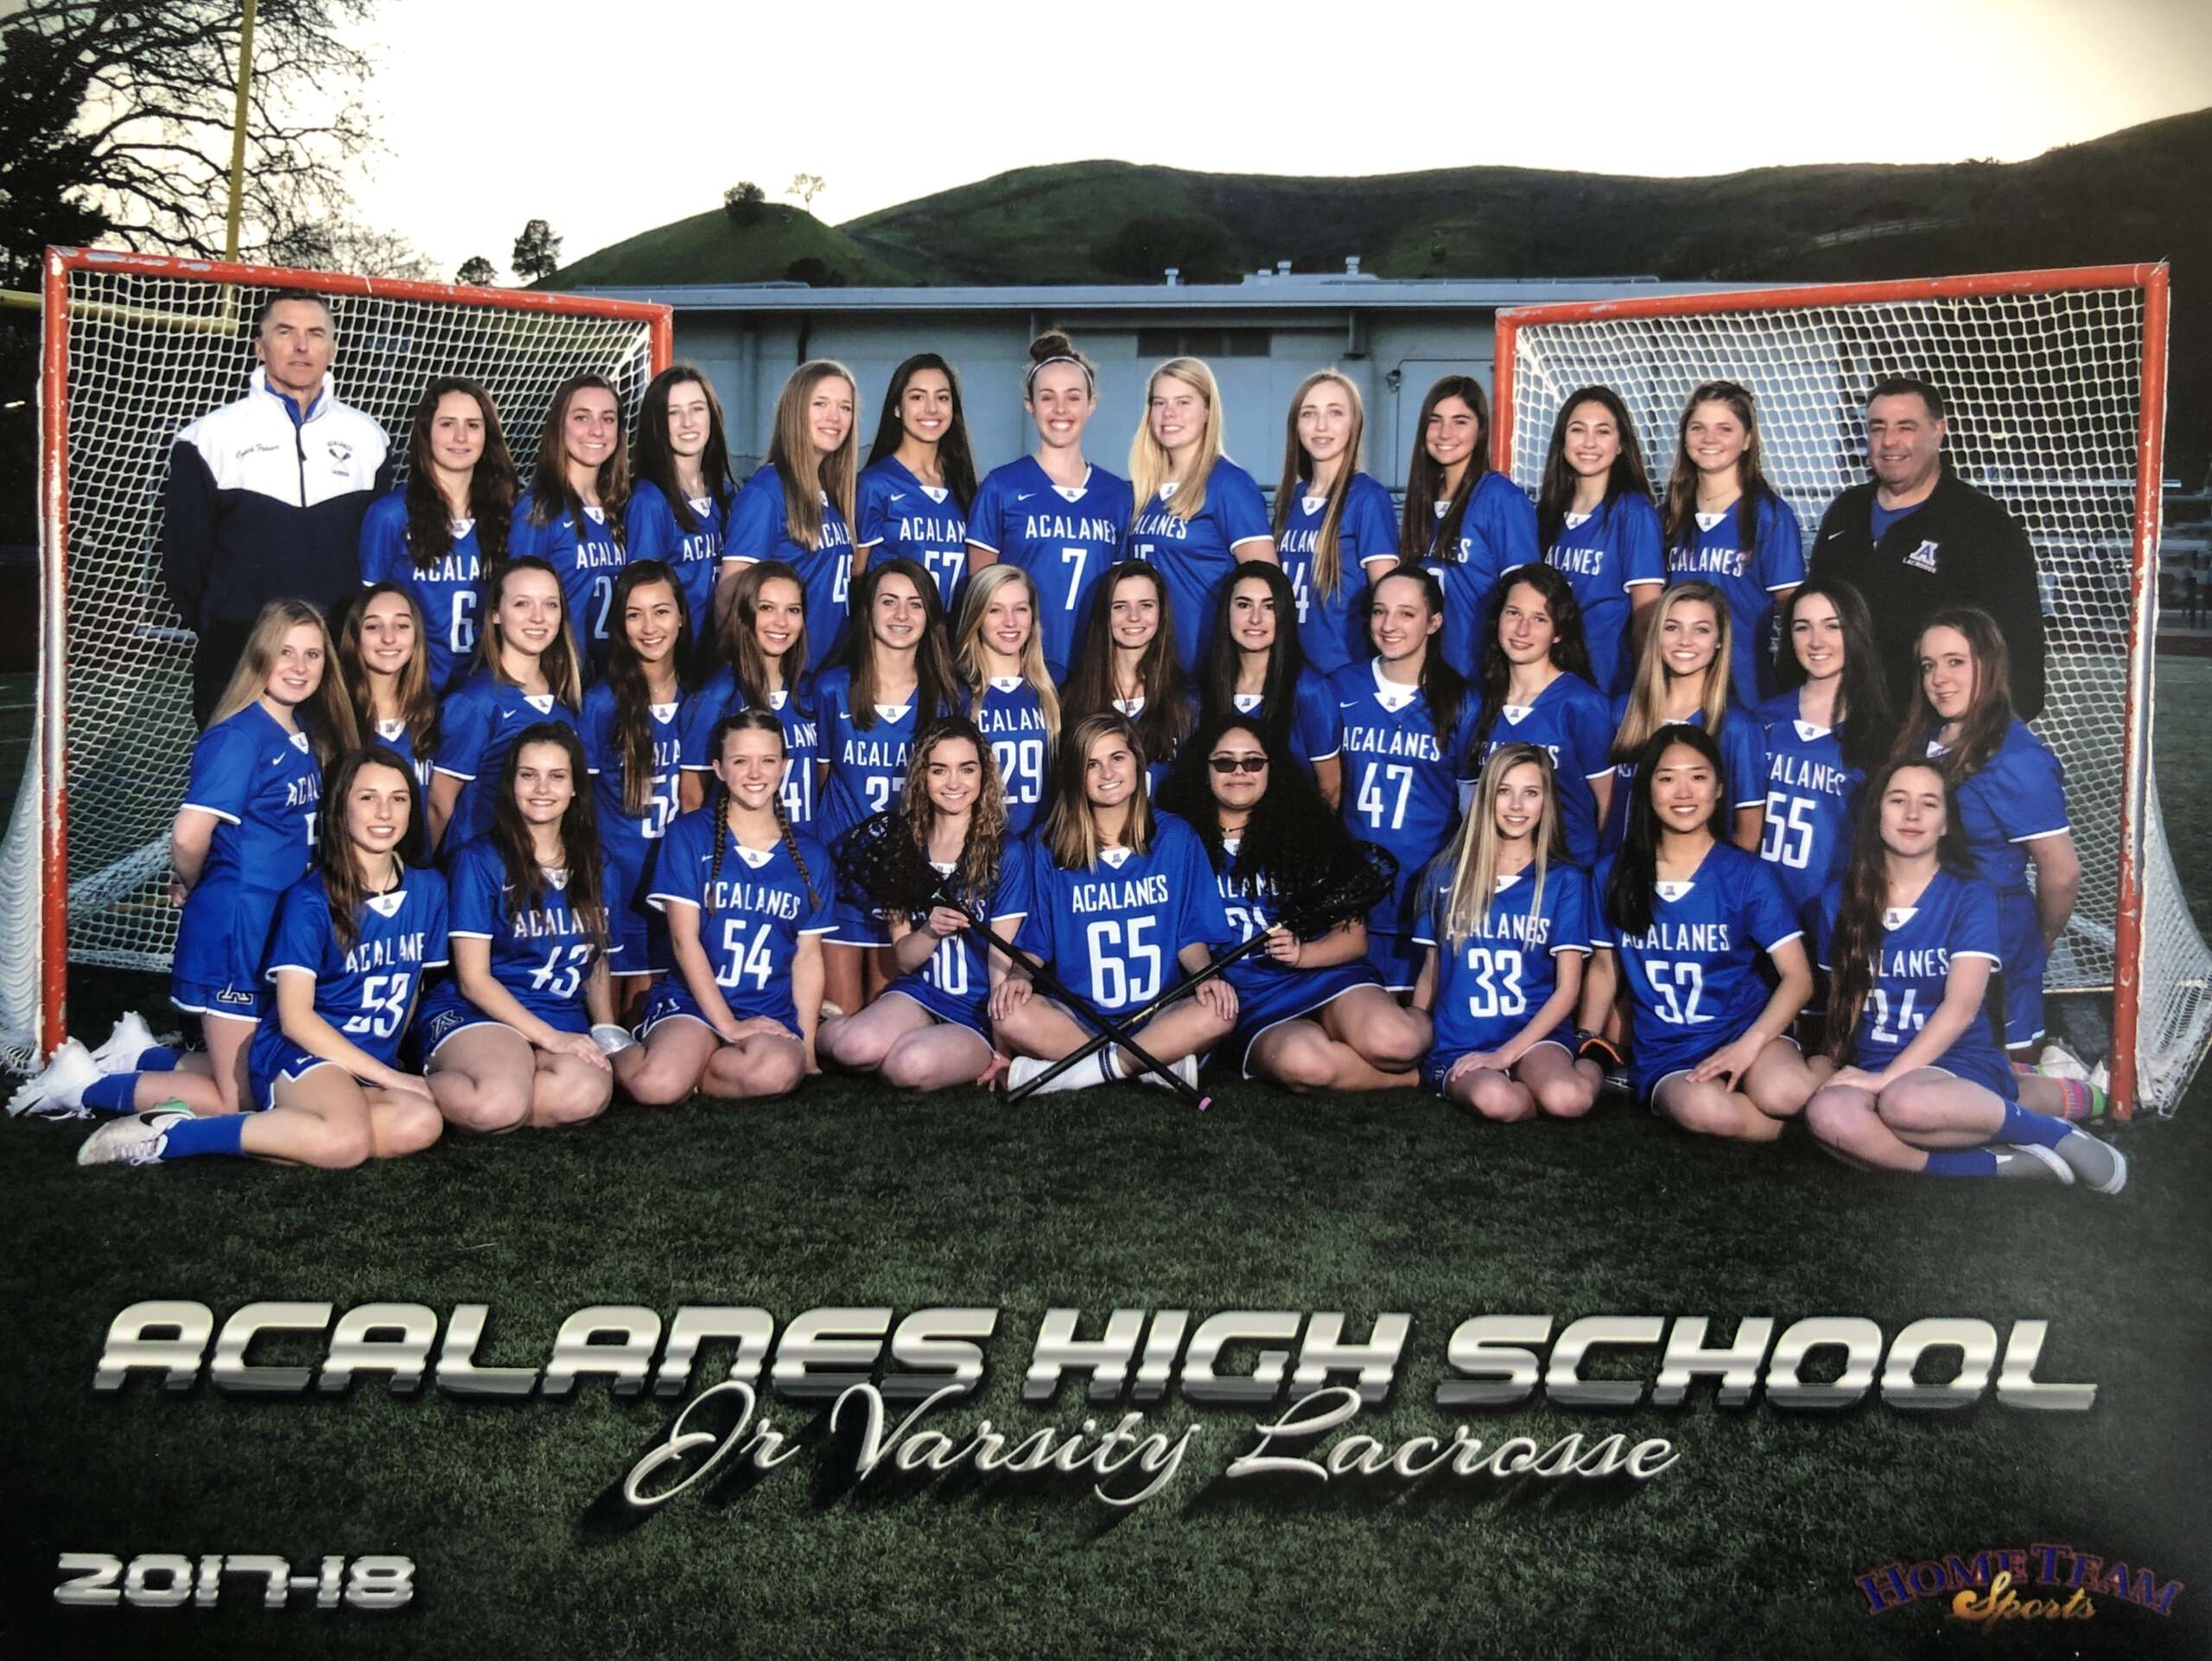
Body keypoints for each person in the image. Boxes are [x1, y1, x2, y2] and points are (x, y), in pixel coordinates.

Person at [12, 599, 358, 1123]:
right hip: (237, 925)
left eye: (312, 654)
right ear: (259, 656)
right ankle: (83, 1088)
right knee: (238, 1100)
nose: (300, 666)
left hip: (272, 918)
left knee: (258, 1070)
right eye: (285, 652)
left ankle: (139, 1056)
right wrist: (194, 883)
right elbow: (189, 833)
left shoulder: (298, 729)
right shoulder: (239, 737)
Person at [76, 746, 448, 1168]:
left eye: (398, 798)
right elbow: (296, 1020)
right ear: (341, 809)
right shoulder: (312, 899)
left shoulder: (429, 889)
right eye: (367, 797)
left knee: (419, 1123)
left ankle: (291, 1123)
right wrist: (391, 1077)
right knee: (344, 1142)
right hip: (304, 1052)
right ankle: (168, 1136)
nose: (384, 812)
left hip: (364, 1058)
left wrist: (383, 1064)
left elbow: (409, 989)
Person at [1802, 758, 2123, 1188]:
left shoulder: (1971, 894)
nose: (1912, 814)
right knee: (1828, 1114)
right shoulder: (1838, 900)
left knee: (1904, 1104)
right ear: (1876, 813)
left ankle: (2057, 1136)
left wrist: (1885, 1080)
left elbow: (1962, 1007)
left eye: (1928, 803)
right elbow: (1847, 997)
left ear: (1946, 823)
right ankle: (1999, 1164)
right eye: (1898, 800)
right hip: (1878, 1059)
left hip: (1957, 1060)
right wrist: (1841, 1064)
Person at [162, 290, 391, 725]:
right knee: (235, 769)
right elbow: (183, 563)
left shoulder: (368, 438)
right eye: (285, 332)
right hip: (237, 660)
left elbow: (378, 555)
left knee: (338, 769)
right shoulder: (208, 437)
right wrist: (227, 627)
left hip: (336, 664)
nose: (302, 346)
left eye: (315, 334)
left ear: (332, 349)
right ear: (259, 346)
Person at [1162, 715, 1425, 1091]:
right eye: (1225, 762)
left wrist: (1302, 954)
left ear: (1272, 769)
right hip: (1248, 996)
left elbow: (1354, 940)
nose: (1240, 772)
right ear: (1204, 771)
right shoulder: (1179, 840)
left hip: (1321, 973)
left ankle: (1443, 1049)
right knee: (1306, 1064)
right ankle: (1416, 1079)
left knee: (1398, 1042)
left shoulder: (1306, 831)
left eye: (1254, 761)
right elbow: (1182, 933)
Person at [1582, 724, 1818, 1140]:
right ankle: (1817, 1128)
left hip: (1746, 1031)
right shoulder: (1612, 873)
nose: (1683, 793)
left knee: (1788, 1093)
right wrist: (1586, 1045)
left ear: (1719, 787)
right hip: (1669, 1052)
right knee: (1706, 1110)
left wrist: (1749, 1045)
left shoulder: (1747, 873)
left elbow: (1798, 977)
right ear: (1648, 789)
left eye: (1698, 776)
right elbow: (1604, 970)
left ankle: (1821, 1077)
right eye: (1667, 779)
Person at [990, 714, 1236, 1095]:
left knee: (1220, 1009)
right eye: (1092, 763)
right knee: (1008, 1013)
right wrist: (1019, 977)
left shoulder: (1175, 836)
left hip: (1159, 1012)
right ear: (1076, 775)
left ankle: (1081, 1071)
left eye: (1117, 758)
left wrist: (1207, 978)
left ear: (1137, 761)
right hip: (1077, 1016)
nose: (1107, 773)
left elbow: (1190, 934)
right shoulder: (1048, 844)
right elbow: (1037, 938)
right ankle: (1150, 1066)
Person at [1895, 609, 2080, 1065]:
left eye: (1956, 662)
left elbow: (2061, 872)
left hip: (1995, 934)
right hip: (1927, 932)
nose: (1939, 678)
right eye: (1929, 665)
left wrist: (2040, 940)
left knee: (2003, 1076)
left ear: (1989, 665)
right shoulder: (1925, 737)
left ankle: (2074, 1094)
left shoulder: (2018, 758)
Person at [620, 710, 833, 1104]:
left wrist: (806, 1049)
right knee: (656, 1086)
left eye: (767, 760)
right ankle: (617, 1048)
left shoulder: (812, 855)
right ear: (718, 769)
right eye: (740, 761)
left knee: (776, 1072)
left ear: (784, 767)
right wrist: (728, 1026)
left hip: (767, 1008)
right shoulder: (688, 836)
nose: (755, 773)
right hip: (693, 1004)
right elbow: (684, 941)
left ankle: (695, 1068)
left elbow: (807, 959)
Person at [1808, 377, 2045, 722]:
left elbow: (2020, 646)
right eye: (1878, 428)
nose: (1889, 441)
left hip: (1930, 731)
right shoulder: (1845, 512)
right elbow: (1812, 615)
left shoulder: (1984, 525)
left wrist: (1985, 735)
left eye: (1906, 427)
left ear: (1938, 431)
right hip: (1842, 720)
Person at [419, 725, 620, 1133]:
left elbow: (596, 959)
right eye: (528, 775)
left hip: (558, 1013)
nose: (542, 788)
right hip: (480, 1012)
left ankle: (504, 1090)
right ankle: (402, 1095)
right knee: (498, 1104)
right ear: (511, 784)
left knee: (583, 1095)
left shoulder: (599, 864)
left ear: (575, 788)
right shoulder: (479, 860)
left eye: (556, 776)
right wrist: (551, 1039)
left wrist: (604, 1028)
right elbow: (474, 980)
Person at [818, 719, 1029, 1090]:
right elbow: (903, 959)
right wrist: (931, 930)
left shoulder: (1005, 852)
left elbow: (1001, 961)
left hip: (974, 1010)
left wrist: (1004, 1048)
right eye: (939, 770)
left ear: (984, 775)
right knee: (854, 1047)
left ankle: (927, 1046)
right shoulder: (904, 846)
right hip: (920, 994)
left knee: (907, 1066)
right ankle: (811, 1029)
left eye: (967, 769)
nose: (954, 782)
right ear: (922, 776)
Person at [1412, 744, 1601, 1120]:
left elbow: (1567, 989)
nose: (1516, 805)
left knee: (1569, 1099)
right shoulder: (1445, 874)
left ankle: (1597, 1061)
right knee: (1497, 1102)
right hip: (1462, 1040)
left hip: (1535, 1036)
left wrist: (1505, 1056)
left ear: (1547, 802)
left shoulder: (1565, 880)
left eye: (1531, 793)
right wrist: (1416, 1039)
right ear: (1486, 796)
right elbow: (1432, 972)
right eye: (1504, 791)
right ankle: (1523, 1088)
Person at [812, 557, 959, 1014]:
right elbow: (822, 780)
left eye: (915, 604)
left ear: (930, 615)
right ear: (868, 610)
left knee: (883, 1021)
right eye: (889, 601)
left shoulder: (946, 696)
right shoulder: (832, 688)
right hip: (841, 874)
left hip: (905, 881)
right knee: (838, 1019)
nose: (901, 615)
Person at [1333, 567, 1482, 994]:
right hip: (1350, 897)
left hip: (1423, 896)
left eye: (1406, 613)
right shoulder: (1340, 688)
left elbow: (1471, 811)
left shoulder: (1463, 703)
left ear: (1434, 622)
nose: (1389, 625)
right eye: (1380, 611)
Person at [965, 332, 1134, 679]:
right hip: (1023, 670)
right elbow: (981, 596)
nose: (1060, 409)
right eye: (1047, 397)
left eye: (1073, 397)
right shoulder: (1001, 486)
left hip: (1094, 672)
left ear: (1091, 404)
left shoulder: (1118, 494)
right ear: (1030, 405)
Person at [581, 562, 692, 1023]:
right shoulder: (601, 703)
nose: (649, 627)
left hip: (678, 879)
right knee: (614, 1022)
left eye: (661, 611)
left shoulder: (702, 698)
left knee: (655, 1016)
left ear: (681, 616)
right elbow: (582, 804)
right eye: (634, 614)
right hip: (618, 880)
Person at [358, 376, 513, 696]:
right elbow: (365, 618)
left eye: (473, 425)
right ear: (426, 431)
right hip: (411, 690)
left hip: (486, 688)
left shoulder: (508, 515)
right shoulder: (390, 516)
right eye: (447, 424)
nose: (461, 436)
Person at [1125, 356, 1277, 671]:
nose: (1169, 413)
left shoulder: (1230, 485)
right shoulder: (1142, 490)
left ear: (1208, 410)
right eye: (1159, 403)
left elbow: (1267, 585)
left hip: (1204, 666)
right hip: (1151, 667)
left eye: (1183, 402)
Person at [1756, 580, 1890, 934]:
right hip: (1760, 907)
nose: (1816, 642)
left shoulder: (1880, 733)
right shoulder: (1763, 719)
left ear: (1855, 631)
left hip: (1833, 914)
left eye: (1832, 626)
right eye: (1803, 627)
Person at [1662, 380, 1803, 710]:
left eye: (1724, 429)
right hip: (1675, 686)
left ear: (1747, 440)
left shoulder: (1770, 517)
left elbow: (1792, 608)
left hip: (1744, 687)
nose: (1709, 439)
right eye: (1698, 428)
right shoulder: (1667, 517)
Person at [1600, 581, 1766, 856]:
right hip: (1621, 874)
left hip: (1694, 880)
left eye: (1701, 630)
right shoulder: (1622, 712)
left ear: (1719, 640)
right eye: (1672, 627)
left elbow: (1748, 834)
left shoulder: (1738, 727)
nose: (1685, 640)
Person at [429, 558, 583, 852]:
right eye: (522, 604)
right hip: (486, 868)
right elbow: (439, 805)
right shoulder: (475, 702)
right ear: (495, 614)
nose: (538, 617)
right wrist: (429, 868)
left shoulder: (566, 697)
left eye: (550, 605)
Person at [1468, 564, 1613, 865]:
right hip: (1496, 869)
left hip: (1566, 869)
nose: (1522, 630)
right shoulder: (1479, 703)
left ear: (1558, 632)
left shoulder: (1582, 704)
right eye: (1513, 613)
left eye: (1539, 619)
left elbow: (1608, 804)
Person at [1400, 373, 1539, 681]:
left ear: (1481, 429)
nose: (1445, 433)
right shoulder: (1422, 501)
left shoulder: (1501, 499)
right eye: (1435, 421)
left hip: (1477, 676)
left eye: (1460, 421)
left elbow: (1526, 599)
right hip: (1424, 675)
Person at [723, 360, 858, 656]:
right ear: (795, 410)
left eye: (845, 407)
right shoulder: (766, 492)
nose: (834, 417)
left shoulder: (833, 492)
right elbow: (731, 595)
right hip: (788, 671)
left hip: (829, 670)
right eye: (820, 404)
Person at [1536, 385, 1665, 697]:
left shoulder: (1633, 512)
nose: (1589, 442)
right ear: (1562, 440)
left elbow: (1646, 614)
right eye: (1578, 430)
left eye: (1603, 431)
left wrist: (1644, 694)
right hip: (1545, 679)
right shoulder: (1545, 514)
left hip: (1605, 682)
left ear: (1621, 445)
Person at [1271, 370, 1400, 679]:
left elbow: (1391, 598)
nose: (1321, 426)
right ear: (1296, 424)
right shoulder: (1290, 499)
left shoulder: (1368, 498)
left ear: (1354, 423)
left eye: (1335, 413)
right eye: (1309, 413)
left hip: (1343, 671)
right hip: (1285, 672)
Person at [679, 559, 818, 826]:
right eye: (766, 608)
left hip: (803, 845)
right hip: (736, 847)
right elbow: (692, 796)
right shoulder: (716, 696)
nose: (781, 622)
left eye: (793, 610)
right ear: (745, 612)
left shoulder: (811, 691)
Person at [1198, 561, 1344, 804]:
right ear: (1226, 611)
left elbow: (1330, 788)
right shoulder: (1204, 687)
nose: (1255, 618)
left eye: (1269, 606)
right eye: (1244, 605)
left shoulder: (1310, 690)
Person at [512, 373, 628, 672]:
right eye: (581, 417)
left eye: (608, 419)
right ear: (559, 425)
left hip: (615, 677)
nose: (596, 430)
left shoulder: (622, 507)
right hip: (561, 675)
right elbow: (513, 604)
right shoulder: (538, 511)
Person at [1062, 560, 1198, 799]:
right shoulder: (1073, 698)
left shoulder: (1188, 701)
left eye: (1146, 605)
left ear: (1161, 612)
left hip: (1166, 823)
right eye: (1120, 606)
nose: (1134, 617)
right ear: (1104, 614)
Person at [856, 353, 976, 614]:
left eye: (942, 398)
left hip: (952, 634)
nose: (931, 408)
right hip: (896, 630)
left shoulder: (965, 487)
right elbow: (857, 579)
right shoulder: (873, 485)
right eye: (917, 397)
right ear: (897, 408)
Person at [626, 365, 736, 634]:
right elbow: (642, 598)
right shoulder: (649, 502)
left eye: (697, 409)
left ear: (712, 415)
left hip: (721, 647)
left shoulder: (725, 493)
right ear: (656, 423)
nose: (687, 422)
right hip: (675, 650)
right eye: (672, 412)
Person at [951, 564, 1058, 837]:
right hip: (979, 844)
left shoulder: (1058, 684)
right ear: (977, 616)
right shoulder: (954, 691)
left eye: (1020, 609)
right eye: (995, 610)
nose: (1010, 622)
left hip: (1047, 844)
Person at [337, 583, 437, 790]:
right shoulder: (332, 720)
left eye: (402, 625)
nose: (389, 638)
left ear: (417, 635)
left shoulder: (438, 718)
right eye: (373, 627)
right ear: (355, 636)